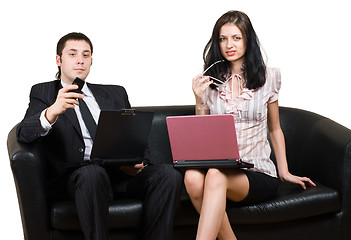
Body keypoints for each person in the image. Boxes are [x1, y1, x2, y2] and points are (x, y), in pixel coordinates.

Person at [16, 32, 182, 240]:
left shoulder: (115, 93)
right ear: (59, 60)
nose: (80, 60)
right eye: (73, 54)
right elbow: (23, 134)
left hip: (118, 175)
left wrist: (137, 162)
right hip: (78, 178)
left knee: (168, 174)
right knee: (93, 173)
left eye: (86, 55)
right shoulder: (45, 92)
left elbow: (135, 137)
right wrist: (52, 111)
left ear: (91, 60)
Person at [185, 11, 316, 240]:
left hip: (257, 171)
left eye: (236, 37)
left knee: (214, 176)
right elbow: (202, 134)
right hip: (223, 167)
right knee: (192, 178)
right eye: (223, 39)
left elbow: (275, 129)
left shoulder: (268, 77)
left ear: (248, 39)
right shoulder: (211, 82)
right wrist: (199, 100)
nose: (229, 45)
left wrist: (284, 172)